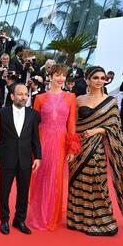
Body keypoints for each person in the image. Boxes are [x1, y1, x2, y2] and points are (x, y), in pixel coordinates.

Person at [68, 66, 123, 236]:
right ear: (87, 80)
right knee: (78, 181)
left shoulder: (111, 102)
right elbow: (72, 124)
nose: (100, 81)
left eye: (102, 78)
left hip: (97, 146)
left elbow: (115, 128)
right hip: (79, 147)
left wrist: (96, 130)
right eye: (96, 78)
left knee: (96, 179)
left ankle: (101, 220)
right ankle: (77, 220)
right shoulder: (78, 100)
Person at [28, 64, 80, 231]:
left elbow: (71, 124)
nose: (60, 78)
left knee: (55, 177)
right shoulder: (40, 98)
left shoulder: (71, 97)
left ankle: (51, 215)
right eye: (57, 74)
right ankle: (38, 214)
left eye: (63, 75)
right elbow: (34, 125)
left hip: (60, 141)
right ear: (50, 76)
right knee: (41, 176)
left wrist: (72, 147)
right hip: (43, 140)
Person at [0, 83, 42, 235]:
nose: (24, 97)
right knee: (4, 191)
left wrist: (38, 157)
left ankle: (19, 220)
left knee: (23, 192)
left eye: (26, 95)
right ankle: (4, 220)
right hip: (7, 158)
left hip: (25, 159)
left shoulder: (33, 114)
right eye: (20, 94)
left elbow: (35, 137)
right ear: (12, 96)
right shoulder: (2, 113)